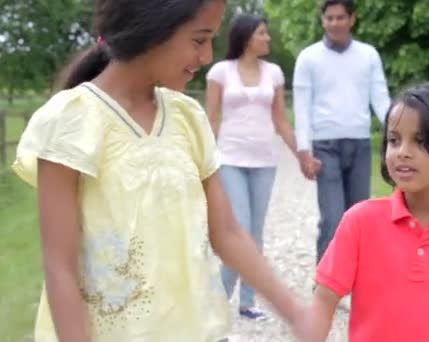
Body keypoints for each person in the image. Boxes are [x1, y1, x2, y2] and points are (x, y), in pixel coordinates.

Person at [12, 1, 308, 341]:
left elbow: (227, 233)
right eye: (199, 40)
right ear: (151, 30)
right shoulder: (70, 121)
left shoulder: (187, 118)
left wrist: (296, 312)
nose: (208, 56)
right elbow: (59, 267)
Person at [305, 81, 429, 341]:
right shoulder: (361, 222)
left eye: (419, 141)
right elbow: (324, 298)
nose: (402, 153)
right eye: (394, 141)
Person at [205, 14, 319, 320]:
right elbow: (211, 118)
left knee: (255, 233)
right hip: (229, 159)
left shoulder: (275, 74)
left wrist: (302, 156)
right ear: (246, 37)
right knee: (239, 229)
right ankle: (214, 303)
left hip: (264, 162)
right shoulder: (220, 71)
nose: (268, 38)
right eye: (263, 33)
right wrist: (200, 160)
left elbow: (281, 121)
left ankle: (247, 303)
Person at [292, 0, 391, 265]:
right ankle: (324, 283)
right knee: (333, 217)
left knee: (359, 216)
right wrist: (303, 151)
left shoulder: (368, 55)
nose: (334, 23)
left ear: (351, 19)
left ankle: (358, 279)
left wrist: (396, 130)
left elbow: (380, 98)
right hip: (325, 146)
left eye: (340, 17)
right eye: (329, 18)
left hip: (358, 143)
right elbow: (301, 107)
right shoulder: (308, 57)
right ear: (323, 21)